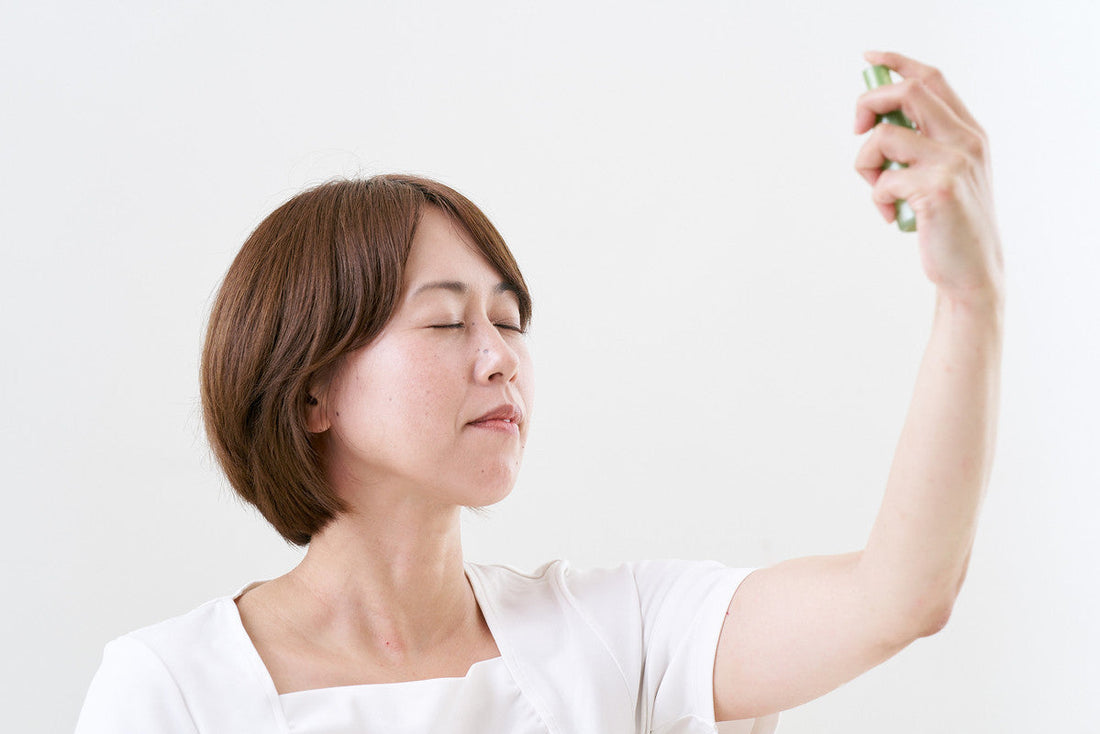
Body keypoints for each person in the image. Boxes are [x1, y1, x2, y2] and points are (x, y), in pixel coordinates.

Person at [74, 50, 1004, 734]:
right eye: (446, 323)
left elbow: (898, 595)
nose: (499, 358)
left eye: (510, 321)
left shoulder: (616, 636)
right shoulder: (170, 689)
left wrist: (970, 296)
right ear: (311, 391)